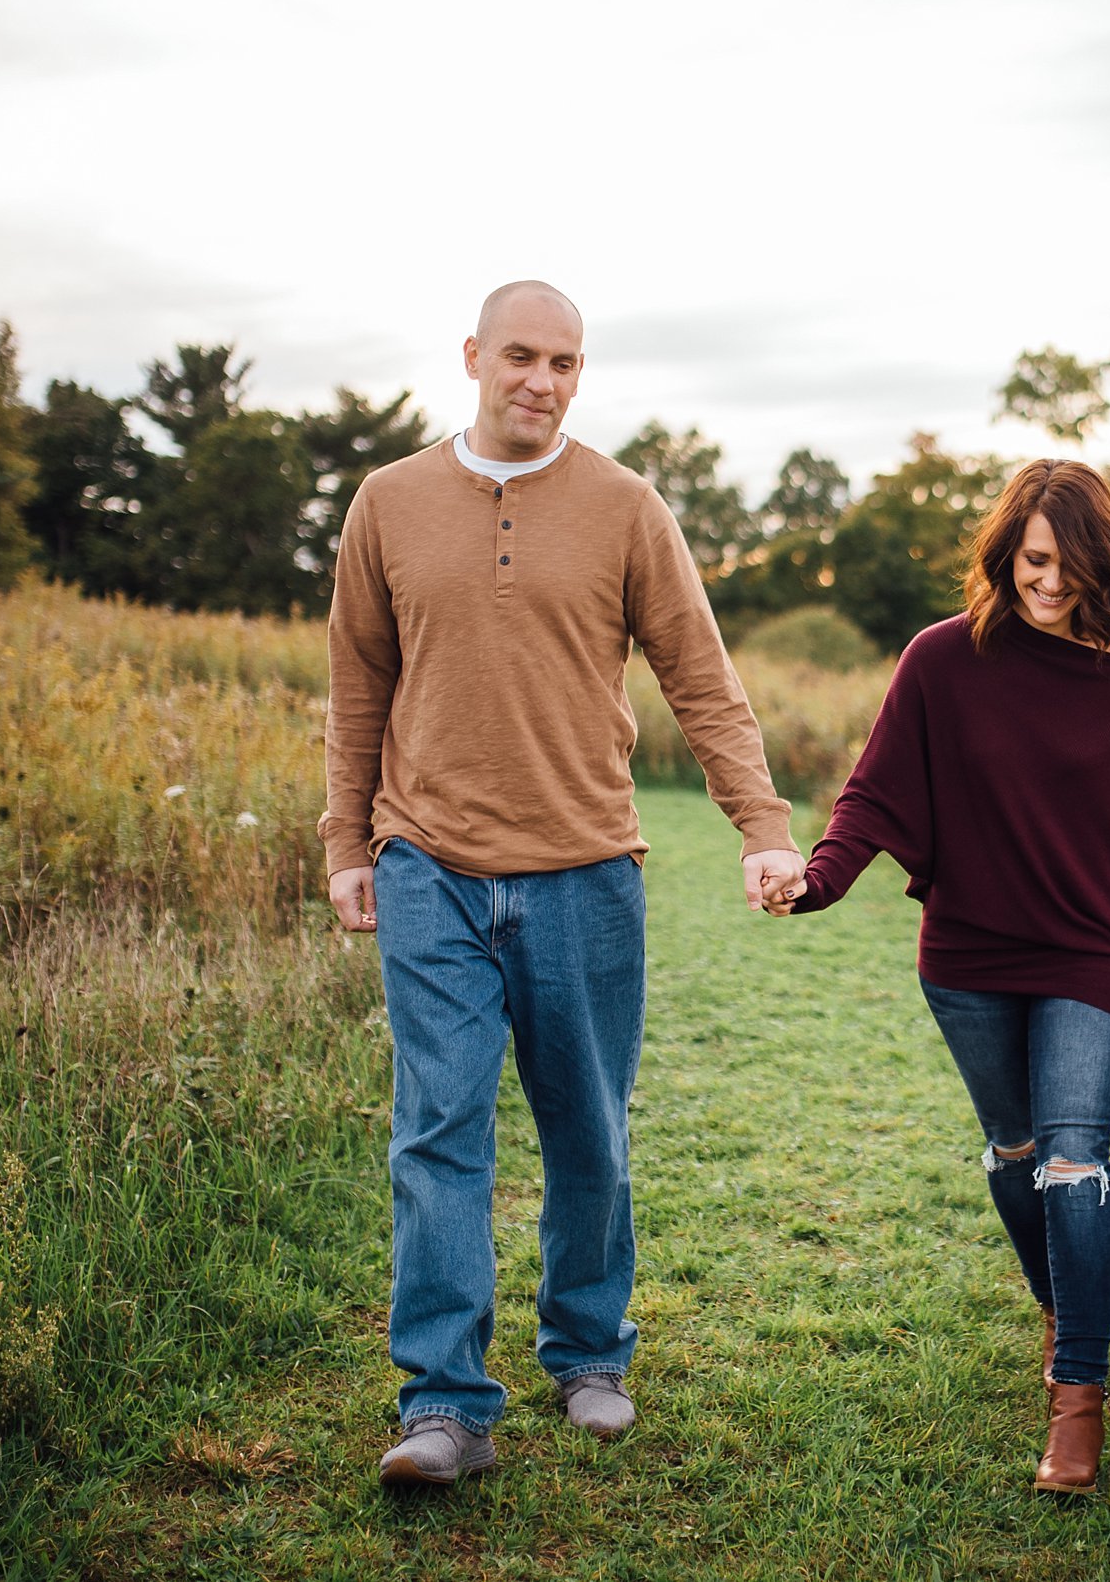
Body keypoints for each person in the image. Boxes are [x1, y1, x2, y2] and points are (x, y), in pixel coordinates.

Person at [321, 281, 806, 1487]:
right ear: (474, 355)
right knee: (439, 1133)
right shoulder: (387, 504)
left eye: (567, 363)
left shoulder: (627, 509)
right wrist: (345, 842)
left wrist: (760, 823)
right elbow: (356, 690)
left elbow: (701, 675)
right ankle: (444, 1404)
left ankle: (588, 1354)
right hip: (427, 862)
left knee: (588, 1130)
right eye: (523, 356)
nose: (543, 379)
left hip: (586, 868)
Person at [765, 457, 1110, 1495]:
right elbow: (874, 794)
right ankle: (1063, 1305)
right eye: (1031, 559)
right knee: (1015, 1156)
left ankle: (1078, 1400)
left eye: (1066, 565)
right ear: (1005, 551)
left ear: (1101, 565)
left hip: (1093, 950)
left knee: (1071, 1161)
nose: (1046, 583)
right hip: (971, 953)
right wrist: (819, 881)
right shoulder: (942, 660)